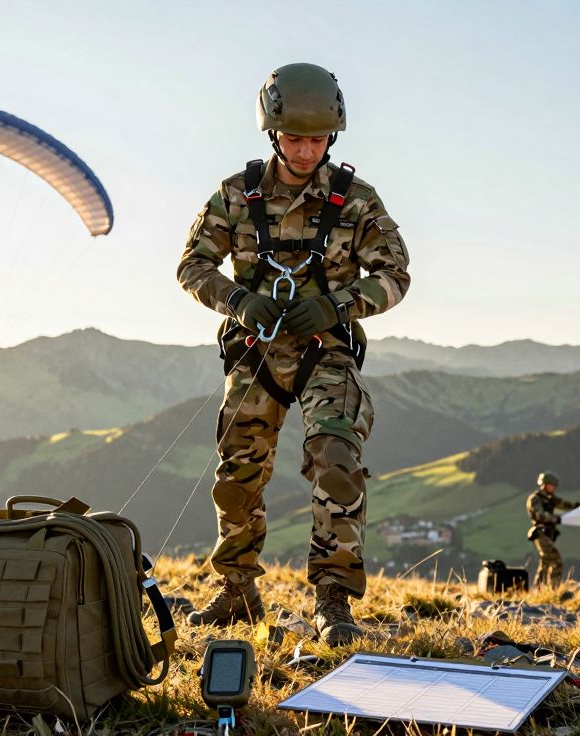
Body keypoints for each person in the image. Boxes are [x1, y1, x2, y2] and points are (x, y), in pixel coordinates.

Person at [177, 62, 410, 646]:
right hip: (256, 351)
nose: (306, 150)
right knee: (237, 472)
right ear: (272, 132)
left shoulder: (355, 201)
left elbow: (396, 275)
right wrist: (237, 300)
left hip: (324, 353)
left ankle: (333, 600)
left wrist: (339, 307)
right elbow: (192, 265)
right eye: (295, 138)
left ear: (333, 136)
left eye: (317, 139)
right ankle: (237, 591)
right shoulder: (237, 195)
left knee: (337, 458)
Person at [526, 472, 578, 588]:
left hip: (549, 534)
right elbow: (540, 515)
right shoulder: (535, 499)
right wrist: (556, 519)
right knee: (556, 560)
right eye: (551, 485)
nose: (553, 488)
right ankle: (553, 589)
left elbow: (564, 504)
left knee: (545, 563)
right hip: (540, 534)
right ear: (544, 485)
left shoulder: (551, 498)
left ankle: (538, 590)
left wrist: (578, 508)